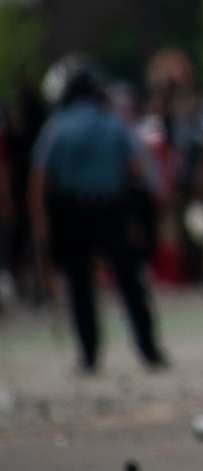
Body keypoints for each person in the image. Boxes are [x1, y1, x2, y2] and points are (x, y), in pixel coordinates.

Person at [30, 58, 167, 373]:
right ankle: (149, 349)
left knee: (80, 287)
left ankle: (89, 355)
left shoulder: (57, 127)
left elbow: (40, 179)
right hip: (111, 210)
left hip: (73, 214)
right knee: (130, 283)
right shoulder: (113, 123)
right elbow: (139, 169)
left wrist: (42, 224)